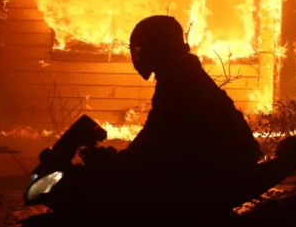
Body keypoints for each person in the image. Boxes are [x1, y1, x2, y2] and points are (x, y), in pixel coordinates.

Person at [83, 15, 262, 209]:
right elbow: (159, 137)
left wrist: (119, 163)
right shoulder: (181, 74)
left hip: (214, 178)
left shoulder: (179, 82)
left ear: (158, 48)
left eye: (143, 49)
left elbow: (155, 138)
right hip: (218, 169)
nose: (139, 55)